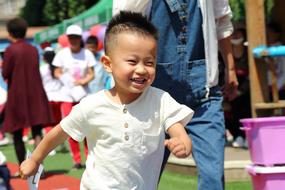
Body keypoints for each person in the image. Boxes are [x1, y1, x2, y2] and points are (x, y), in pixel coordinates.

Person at [20, 11, 193, 190]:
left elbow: (179, 132)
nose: (142, 69)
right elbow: (58, 134)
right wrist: (35, 159)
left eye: (149, 62)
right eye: (132, 61)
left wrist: (182, 143)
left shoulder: (160, 100)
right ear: (108, 64)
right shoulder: (92, 105)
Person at [113, 1, 239, 189]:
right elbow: (122, 25)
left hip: (203, 96)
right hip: (153, 99)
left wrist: (230, 67)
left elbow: (222, 20)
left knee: (213, 177)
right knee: (140, 178)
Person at [1, 17, 54, 172]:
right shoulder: (32, 49)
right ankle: (39, 168)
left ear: (10, 33)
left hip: (17, 96)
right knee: (37, 132)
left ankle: (23, 168)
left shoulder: (10, 50)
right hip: (35, 94)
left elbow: (6, 72)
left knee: (17, 133)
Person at [52, 24, 96, 169]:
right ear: (67, 38)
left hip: (83, 94)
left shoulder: (87, 54)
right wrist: (65, 78)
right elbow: (56, 72)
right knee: (70, 127)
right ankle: (76, 160)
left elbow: (91, 73)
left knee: (87, 127)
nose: (73, 40)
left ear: (80, 38)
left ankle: (90, 157)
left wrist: (83, 81)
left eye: (76, 37)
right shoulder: (62, 54)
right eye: (71, 37)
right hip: (67, 96)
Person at [227, 26, 250, 148]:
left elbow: (252, 74)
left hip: (247, 89)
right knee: (233, 112)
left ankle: (248, 136)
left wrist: (242, 90)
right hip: (231, 87)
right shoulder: (226, 52)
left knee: (247, 110)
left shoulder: (248, 51)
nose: (235, 36)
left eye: (238, 33)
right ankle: (237, 135)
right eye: (233, 33)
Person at [39, 47, 64, 155]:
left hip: (48, 99)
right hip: (60, 97)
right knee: (59, 123)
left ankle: (51, 147)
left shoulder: (42, 69)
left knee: (48, 124)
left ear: (44, 58)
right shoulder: (59, 67)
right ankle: (61, 143)